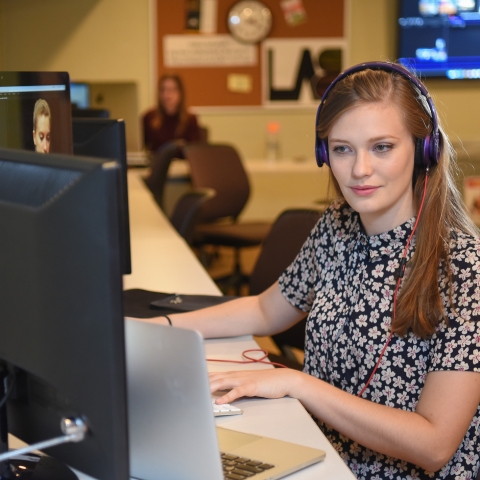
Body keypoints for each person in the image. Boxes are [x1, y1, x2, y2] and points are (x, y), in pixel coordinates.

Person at [142, 62, 480, 479]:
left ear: (423, 149)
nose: (359, 170)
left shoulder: (462, 267)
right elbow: (267, 311)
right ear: (325, 154)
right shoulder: (338, 224)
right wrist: (158, 327)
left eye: (382, 147)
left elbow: (434, 445)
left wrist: (299, 384)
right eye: (342, 149)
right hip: (320, 451)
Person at [142, 74, 200, 152]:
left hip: (182, 163)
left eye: (171, 90)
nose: (166, 94)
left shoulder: (190, 119)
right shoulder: (149, 117)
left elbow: (195, 150)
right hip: (157, 162)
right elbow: (141, 147)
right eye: (163, 90)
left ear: (180, 93)